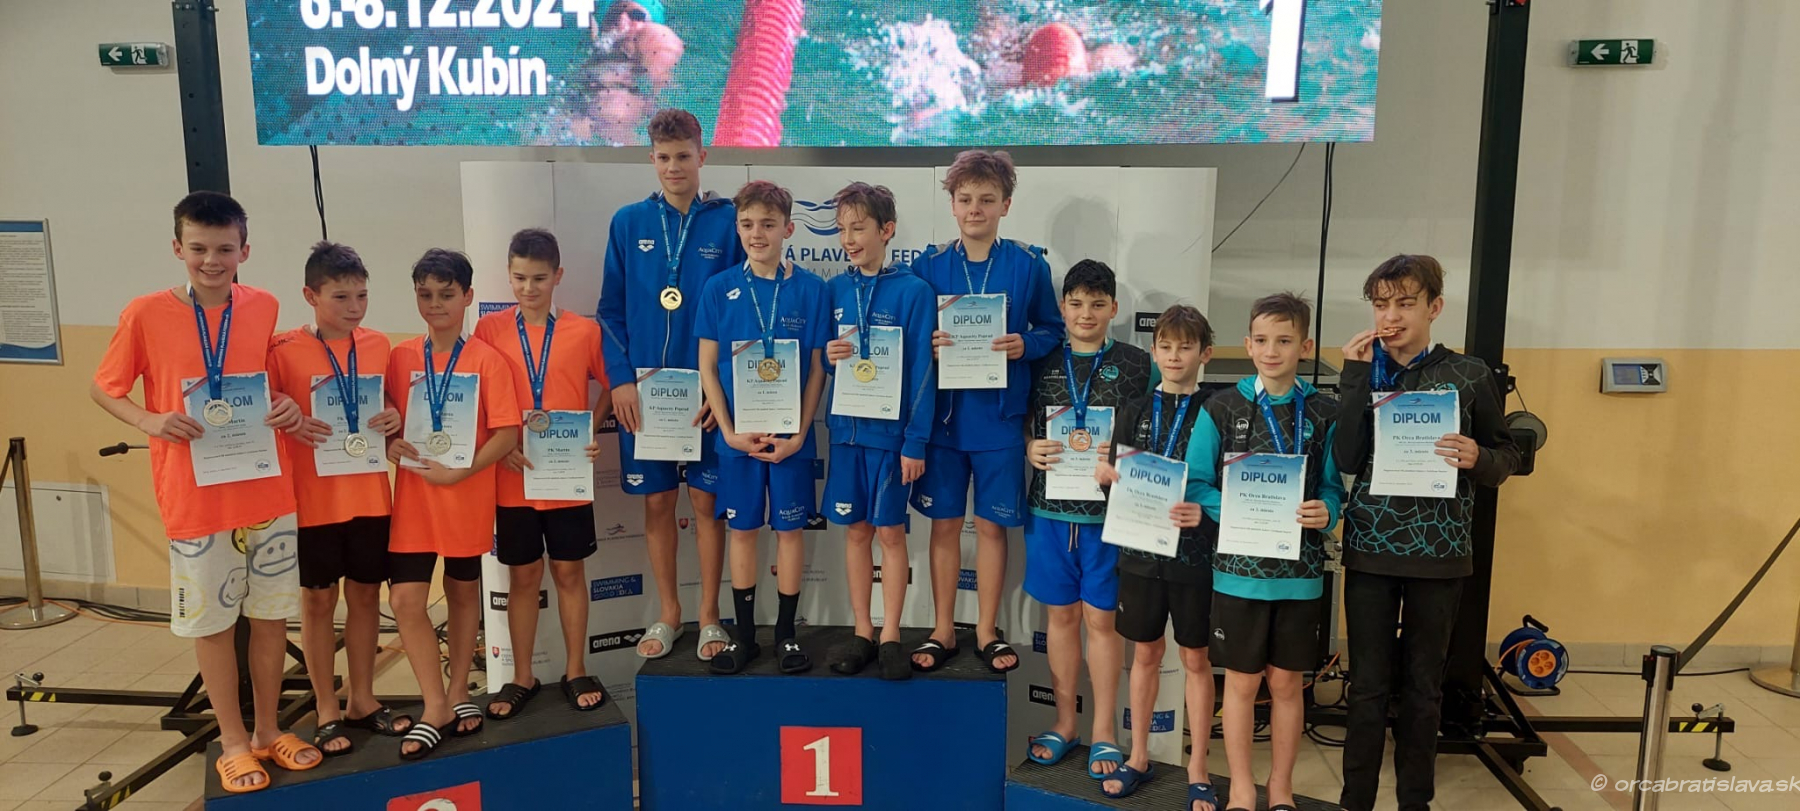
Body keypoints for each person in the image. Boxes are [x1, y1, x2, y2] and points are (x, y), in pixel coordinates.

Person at [91, 192, 318, 792]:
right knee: (213, 625)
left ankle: (268, 730)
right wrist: (148, 419)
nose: (212, 260)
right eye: (198, 248)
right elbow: (104, 387)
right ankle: (234, 741)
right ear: (177, 248)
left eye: (224, 249)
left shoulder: (263, 306)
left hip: (267, 488)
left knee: (270, 619)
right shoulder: (145, 313)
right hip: (196, 497)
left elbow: (261, 383)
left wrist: (284, 404)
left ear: (245, 250)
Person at [1334, 256, 1521, 811]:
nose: (1391, 316)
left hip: (1439, 554)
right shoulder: (1363, 370)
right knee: (1367, 688)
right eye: (1380, 304)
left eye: (1405, 303)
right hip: (1370, 548)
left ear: (1434, 307)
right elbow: (1346, 457)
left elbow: (1508, 455)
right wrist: (1352, 378)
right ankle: (1355, 801)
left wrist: (1479, 456)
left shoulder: (1469, 374)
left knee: (1422, 688)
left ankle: (1415, 801)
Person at [598, 108, 746, 662]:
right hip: (644, 397)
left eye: (684, 156)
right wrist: (619, 382)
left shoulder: (728, 222)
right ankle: (669, 612)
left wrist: (721, 390)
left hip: (706, 396)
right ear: (651, 159)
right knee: (659, 504)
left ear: (702, 156)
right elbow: (609, 311)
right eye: (663, 157)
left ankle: (709, 615)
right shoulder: (628, 222)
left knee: (707, 503)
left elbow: (743, 310)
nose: (674, 166)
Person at [908, 149, 1064, 673]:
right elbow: (909, 338)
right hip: (944, 421)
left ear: (1006, 205)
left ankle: (987, 630)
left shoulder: (1028, 265)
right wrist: (927, 344)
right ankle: (942, 629)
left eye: (987, 199)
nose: (975, 208)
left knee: (993, 528)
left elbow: (1053, 330)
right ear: (952, 204)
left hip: (1000, 421)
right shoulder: (928, 266)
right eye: (966, 199)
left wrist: (1025, 343)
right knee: (945, 526)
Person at [1188, 293, 1343, 811]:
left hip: (1300, 574)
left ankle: (1280, 786)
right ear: (1248, 344)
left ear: (1306, 346)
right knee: (1241, 682)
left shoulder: (1324, 411)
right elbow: (1197, 482)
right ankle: (1240, 785)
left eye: (1284, 340)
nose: (1271, 351)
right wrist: (1233, 507)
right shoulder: (1220, 407)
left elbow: (1332, 489)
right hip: (1238, 573)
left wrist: (1327, 511)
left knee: (1287, 684)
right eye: (1261, 340)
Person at [267, 241, 412, 756]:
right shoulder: (281, 349)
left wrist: (395, 414)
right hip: (312, 499)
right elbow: (260, 400)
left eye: (362, 296)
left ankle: (362, 699)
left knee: (367, 595)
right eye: (341, 297)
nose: (354, 308)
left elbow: (390, 401)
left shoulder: (378, 344)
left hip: (370, 495)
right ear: (311, 296)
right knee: (318, 600)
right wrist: (281, 403)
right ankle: (327, 707)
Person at [384, 249, 521, 759]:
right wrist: (389, 441)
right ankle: (434, 704)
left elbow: (507, 433)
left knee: (463, 595)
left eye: (446, 294)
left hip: (465, 495)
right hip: (415, 499)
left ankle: (459, 690)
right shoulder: (399, 357)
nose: (435, 304)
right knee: (405, 601)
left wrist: (462, 472)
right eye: (425, 295)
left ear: (467, 297)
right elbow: (388, 418)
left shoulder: (487, 360)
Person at [1020, 260, 1152, 776]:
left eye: (1098, 304)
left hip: (1109, 515)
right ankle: (1065, 723)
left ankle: (1103, 731)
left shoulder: (1139, 364)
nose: (1086, 314)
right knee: (1060, 618)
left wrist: (1126, 455)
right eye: (1076, 304)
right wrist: (1030, 447)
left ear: (1114, 308)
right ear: (1062, 308)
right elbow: (1022, 421)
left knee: (1101, 620)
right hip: (1049, 509)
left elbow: (1160, 430)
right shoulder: (1042, 359)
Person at [695, 180, 830, 675]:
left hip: (791, 440)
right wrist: (728, 432)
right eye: (748, 224)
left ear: (788, 229)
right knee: (743, 531)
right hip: (737, 440)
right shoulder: (718, 288)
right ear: (737, 228)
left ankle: (787, 636)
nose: (757, 234)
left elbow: (817, 370)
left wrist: (800, 434)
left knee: (790, 532)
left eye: (768, 225)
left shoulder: (812, 290)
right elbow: (707, 367)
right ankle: (746, 637)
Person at [476, 229, 612, 718]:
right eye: (519, 278)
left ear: (558, 276)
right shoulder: (489, 330)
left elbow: (613, 386)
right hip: (514, 475)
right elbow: (476, 397)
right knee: (523, 576)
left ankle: (575, 669)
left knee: (570, 572)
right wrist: (499, 446)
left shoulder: (584, 331)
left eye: (538, 278)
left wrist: (590, 428)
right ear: (508, 275)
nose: (528, 288)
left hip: (564, 475)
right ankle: (522, 675)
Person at [1093, 304, 1216, 805]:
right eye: (1165, 346)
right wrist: (1105, 479)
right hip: (1141, 554)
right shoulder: (1134, 410)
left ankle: (1198, 766)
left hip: (1194, 556)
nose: (1174, 356)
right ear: (1154, 350)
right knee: (1144, 653)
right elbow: (1116, 486)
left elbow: (1223, 484)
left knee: (1196, 658)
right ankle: (1139, 756)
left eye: (1185, 347)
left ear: (1205, 353)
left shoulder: (1218, 410)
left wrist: (1204, 513)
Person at [819, 182, 936, 680]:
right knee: (856, 531)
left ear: (886, 230)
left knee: (889, 532)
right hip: (847, 432)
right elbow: (825, 361)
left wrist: (915, 440)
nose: (849, 239)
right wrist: (828, 358)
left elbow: (923, 372)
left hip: (891, 438)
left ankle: (891, 633)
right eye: (842, 229)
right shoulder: (834, 290)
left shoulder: (914, 292)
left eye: (859, 228)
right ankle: (862, 630)